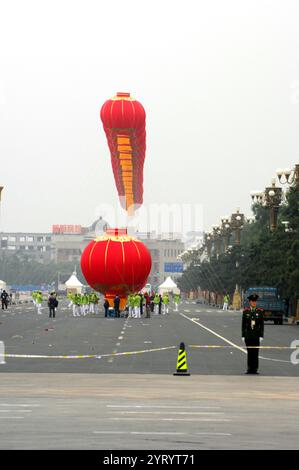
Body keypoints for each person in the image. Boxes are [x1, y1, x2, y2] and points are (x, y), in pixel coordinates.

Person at [242, 294, 264, 374]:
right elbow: (243, 325)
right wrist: (243, 335)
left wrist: (261, 336)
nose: (254, 303)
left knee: (255, 352)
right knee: (249, 352)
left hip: (256, 335)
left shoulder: (260, 311)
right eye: (252, 301)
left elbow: (261, 325)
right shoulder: (246, 312)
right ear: (249, 302)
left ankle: (255, 369)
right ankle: (249, 368)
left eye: (255, 301)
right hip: (248, 336)